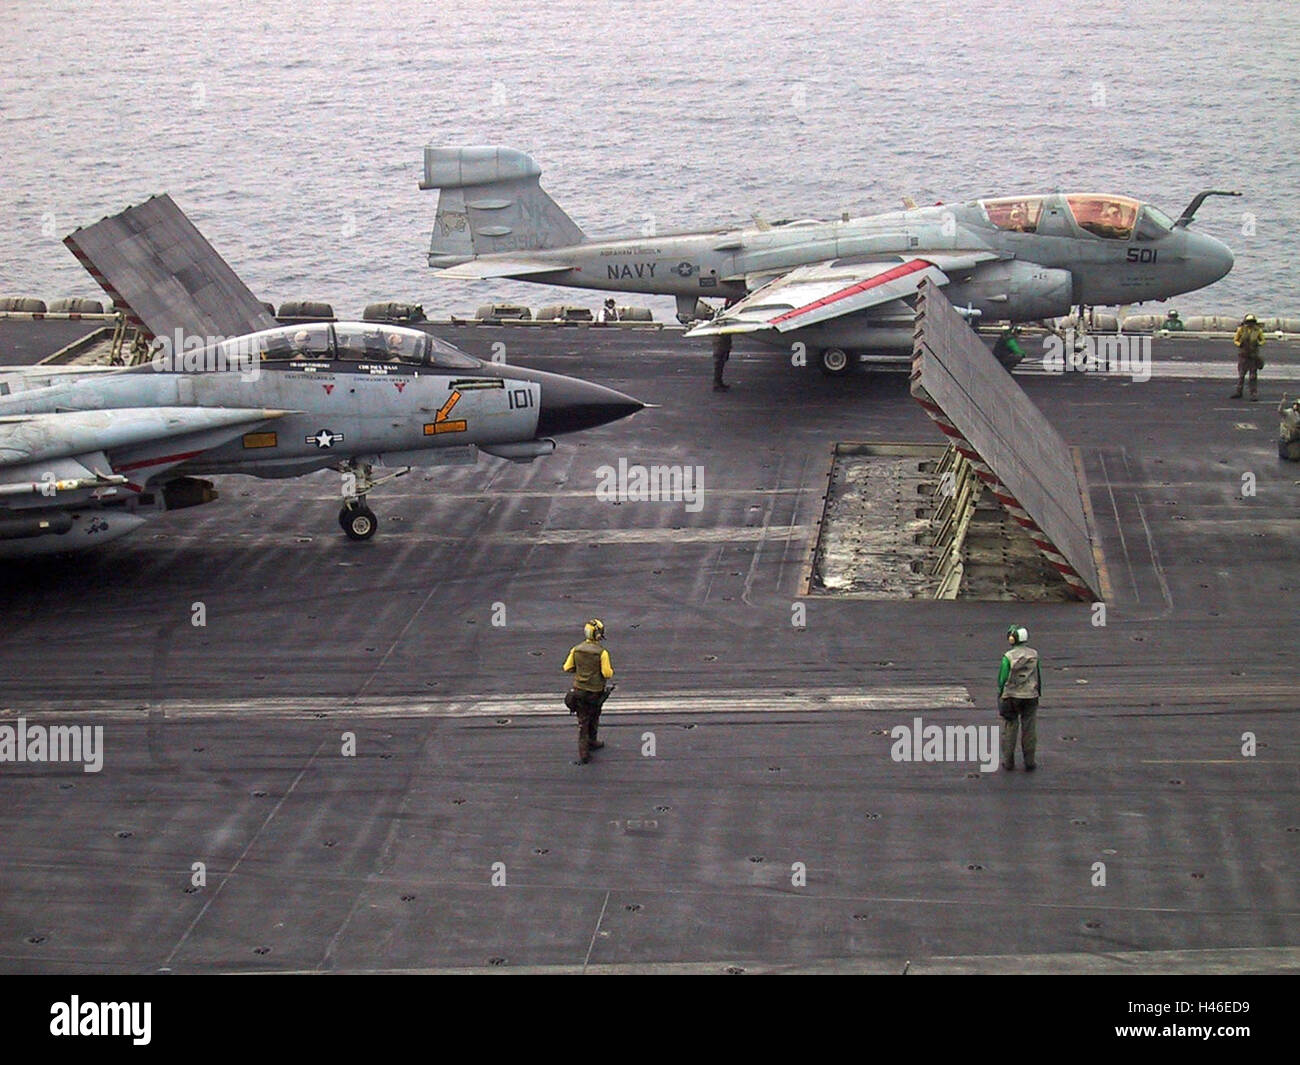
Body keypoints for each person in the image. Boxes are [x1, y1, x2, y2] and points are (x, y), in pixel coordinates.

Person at [562, 618, 615, 764]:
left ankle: (587, 747)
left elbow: (567, 668)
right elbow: (607, 673)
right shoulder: (602, 653)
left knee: (582, 720)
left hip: (579, 691)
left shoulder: (576, 649)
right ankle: (588, 747)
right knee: (594, 716)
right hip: (595, 692)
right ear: (598, 635)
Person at [998, 624, 1041, 771]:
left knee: (1010, 727)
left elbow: (1002, 678)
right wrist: (1038, 691)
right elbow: (1038, 675)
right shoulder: (1034, 654)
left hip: (1011, 696)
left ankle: (1008, 762)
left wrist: (1000, 693)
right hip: (1030, 695)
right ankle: (1030, 761)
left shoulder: (1008, 657)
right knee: (1029, 729)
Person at [1231, 313, 1265, 400]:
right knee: (1241, 375)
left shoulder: (1258, 331)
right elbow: (1235, 340)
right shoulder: (1241, 330)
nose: (1250, 324)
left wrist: (1258, 343)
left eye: (1252, 322)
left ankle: (1253, 394)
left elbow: (1263, 340)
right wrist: (1239, 344)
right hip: (1243, 356)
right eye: (1249, 322)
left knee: (1253, 377)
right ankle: (1239, 392)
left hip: (1253, 357)